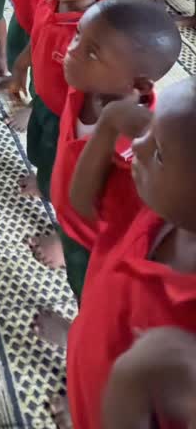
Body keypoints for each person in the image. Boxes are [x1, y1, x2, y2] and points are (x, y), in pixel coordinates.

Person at [39, 0, 180, 347]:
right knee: (76, 280)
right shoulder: (88, 85)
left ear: (140, 87)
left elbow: (86, 204)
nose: (72, 51)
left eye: (91, 52)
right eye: (78, 38)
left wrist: (107, 129)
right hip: (72, 226)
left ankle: (79, 343)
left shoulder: (139, 155)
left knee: (93, 304)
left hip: (96, 249)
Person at [63, 78, 196, 429]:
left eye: (160, 153)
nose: (136, 147)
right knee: (86, 354)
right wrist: (106, 127)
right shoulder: (158, 210)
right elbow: (80, 204)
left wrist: (129, 384)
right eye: (149, 131)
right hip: (92, 346)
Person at [9, 0, 121, 269]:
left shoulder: (94, 37)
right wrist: (23, 64)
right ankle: (44, 182)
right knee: (43, 156)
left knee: (67, 183)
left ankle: (62, 234)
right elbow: (40, 38)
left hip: (72, 128)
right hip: (46, 105)